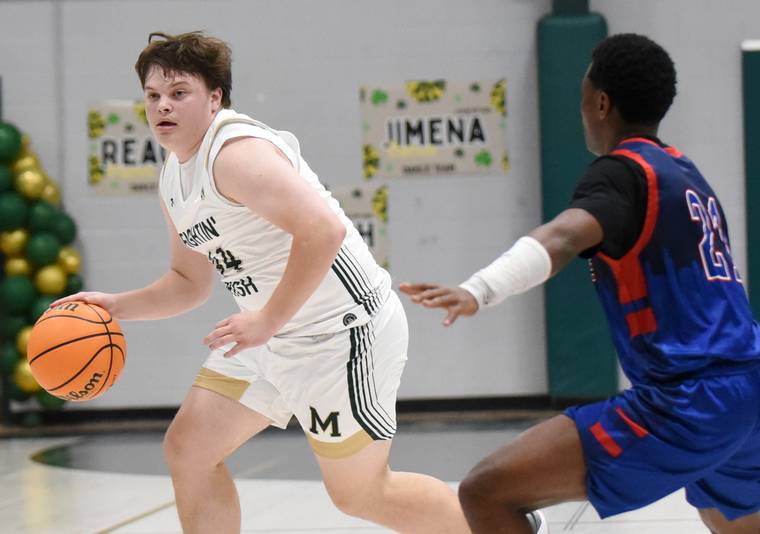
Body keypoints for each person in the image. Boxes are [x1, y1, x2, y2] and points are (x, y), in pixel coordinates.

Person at [53, 31, 469, 534]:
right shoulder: (173, 177)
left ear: (215, 98)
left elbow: (325, 230)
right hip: (268, 333)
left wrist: (268, 321)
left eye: (179, 93)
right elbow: (189, 281)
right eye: (153, 95)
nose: (163, 106)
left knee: (361, 494)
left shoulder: (236, 154)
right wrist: (116, 305)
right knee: (189, 449)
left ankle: (505, 526)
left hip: (342, 333)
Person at [400, 33, 760, 534]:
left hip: (690, 398)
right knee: (739, 527)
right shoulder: (685, 173)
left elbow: (562, 237)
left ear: (601, 102)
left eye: (583, 92)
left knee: (487, 491)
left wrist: (479, 288)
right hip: (756, 390)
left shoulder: (620, 172)